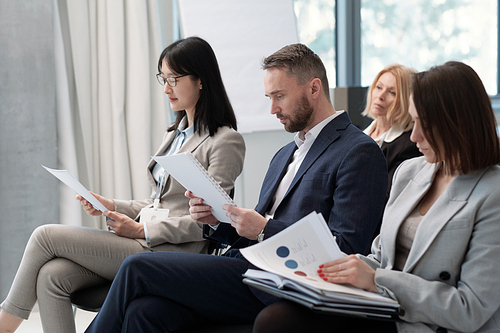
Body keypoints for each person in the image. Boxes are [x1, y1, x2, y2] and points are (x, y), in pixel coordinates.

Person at [84, 43, 388, 333]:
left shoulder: (358, 150)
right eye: (269, 97)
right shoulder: (285, 154)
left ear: (314, 88)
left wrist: (264, 229)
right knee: (144, 311)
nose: (272, 109)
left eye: (279, 96)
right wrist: (216, 221)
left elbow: (346, 248)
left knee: (137, 267)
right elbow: (251, 229)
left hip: (281, 280)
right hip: (244, 266)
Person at [0, 36, 245, 333]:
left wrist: (142, 230)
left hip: (178, 253)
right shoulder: (176, 134)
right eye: (163, 79)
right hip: (144, 242)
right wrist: (112, 205)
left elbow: (212, 220)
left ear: (201, 80)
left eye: (174, 79)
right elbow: (159, 203)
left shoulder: (224, 140)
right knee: (52, 274)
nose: (166, 88)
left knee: (45, 236)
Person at [252, 61, 500, 333]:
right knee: (275, 318)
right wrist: (336, 269)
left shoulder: (492, 192)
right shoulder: (410, 172)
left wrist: (377, 279)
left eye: (423, 124)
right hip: (382, 304)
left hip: (429, 321)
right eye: (413, 121)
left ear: (458, 124)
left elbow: (470, 308)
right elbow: (380, 254)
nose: (414, 135)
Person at [363, 64, 421, 194]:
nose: (380, 96)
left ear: (406, 100)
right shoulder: (357, 135)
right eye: (378, 87)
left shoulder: (409, 146)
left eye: (392, 92)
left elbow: (387, 196)